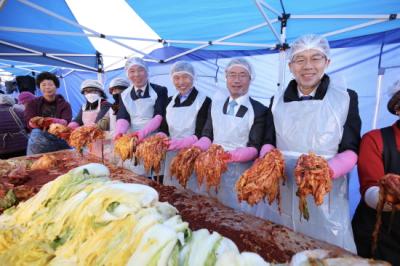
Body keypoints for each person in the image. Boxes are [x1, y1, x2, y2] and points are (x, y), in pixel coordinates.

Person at [258, 34, 361, 252]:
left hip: (324, 188)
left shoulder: (345, 97)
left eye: (315, 58)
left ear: (327, 62)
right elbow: (269, 139)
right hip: (282, 182)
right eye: (299, 60)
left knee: (325, 248)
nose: (307, 66)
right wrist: (265, 158)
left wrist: (325, 171)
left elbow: (351, 147)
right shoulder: (276, 98)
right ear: (290, 65)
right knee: (280, 243)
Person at [191, 58, 274, 212]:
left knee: (236, 215)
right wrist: (197, 147)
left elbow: (255, 145)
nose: (237, 80)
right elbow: (207, 133)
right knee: (209, 210)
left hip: (239, 172)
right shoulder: (215, 105)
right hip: (210, 167)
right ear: (226, 78)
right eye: (232, 75)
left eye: (242, 75)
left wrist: (233, 156)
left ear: (251, 79)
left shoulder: (260, 110)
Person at [352, 81, 400, 264]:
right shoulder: (375, 139)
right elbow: (370, 190)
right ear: (397, 108)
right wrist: (391, 196)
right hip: (377, 238)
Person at [158, 61, 211, 187]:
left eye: (185, 77)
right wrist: (160, 135)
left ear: (193, 78)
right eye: (176, 78)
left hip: (193, 154)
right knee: (171, 190)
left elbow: (202, 132)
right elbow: (165, 127)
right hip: (171, 153)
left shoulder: (204, 100)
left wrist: (181, 143)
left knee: (192, 195)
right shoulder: (170, 101)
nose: (181, 82)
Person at [114, 57, 168, 175]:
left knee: (155, 174)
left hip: (153, 138)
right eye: (132, 71)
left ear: (147, 72)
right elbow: (123, 116)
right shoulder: (124, 94)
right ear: (127, 74)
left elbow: (159, 115)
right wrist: (119, 132)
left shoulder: (160, 90)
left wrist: (142, 133)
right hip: (133, 141)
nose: (137, 74)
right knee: (136, 173)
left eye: (140, 70)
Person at [25, 72, 72, 155]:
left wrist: (49, 121)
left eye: (50, 84)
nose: (47, 87)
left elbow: (66, 122)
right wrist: (33, 122)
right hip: (39, 140)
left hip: (59, 138)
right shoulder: (32, 103)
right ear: (39, 87)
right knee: (35, 132)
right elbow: (29, 122)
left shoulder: (65, 104)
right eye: (43, 85)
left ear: (56, 86)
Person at [0, 94, 28, 159]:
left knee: (6, 168)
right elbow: (28, 127)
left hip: (2, 149)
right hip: (21, 146)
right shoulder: (19, 111)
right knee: (24, 167)